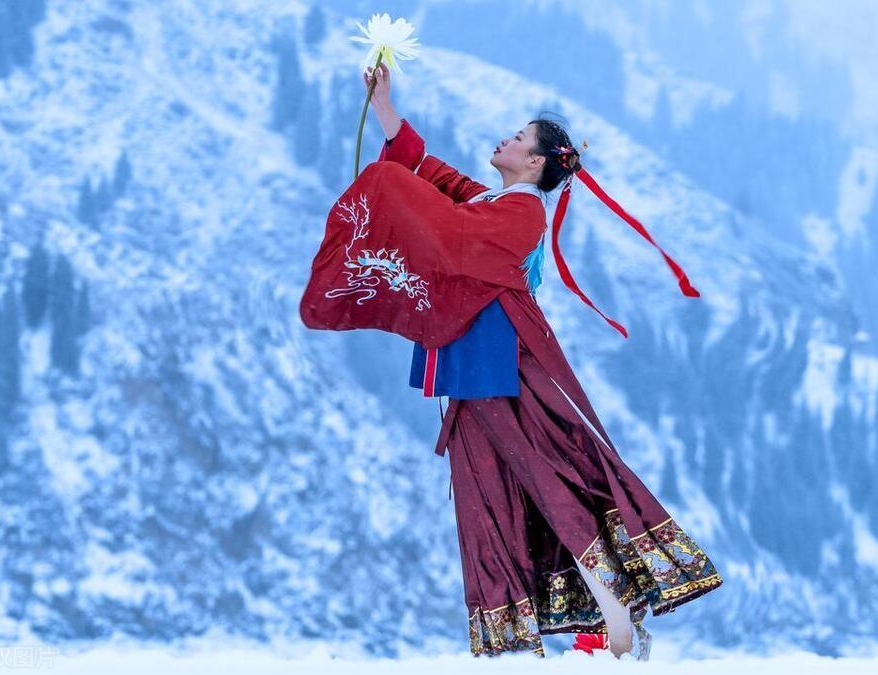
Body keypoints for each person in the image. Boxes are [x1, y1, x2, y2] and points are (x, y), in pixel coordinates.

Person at [300, 62, 723, 660]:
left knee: (538, 475)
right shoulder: (494, 201)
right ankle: (548, 625)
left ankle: (610, 605)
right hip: (474, 362)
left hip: (501, 362)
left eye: (521, 138)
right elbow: (431, 176)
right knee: (485, 485)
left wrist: (387, 193)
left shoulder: (522, 212)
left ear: (536, 164)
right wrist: (386, 106)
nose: (508, 140)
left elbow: (449, 228)